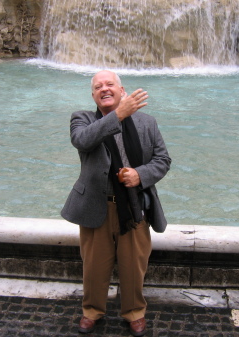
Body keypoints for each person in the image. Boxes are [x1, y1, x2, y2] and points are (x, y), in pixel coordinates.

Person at [61, 70, 171, 336]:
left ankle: (134, 312)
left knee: (134, 264)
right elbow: (83, 141)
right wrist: (119, 114)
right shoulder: (83, 119)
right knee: (94, 265)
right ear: (93, 95)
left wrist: (139, 175)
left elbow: (162, 160)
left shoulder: (147, 123)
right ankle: (92, 310)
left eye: (110, 84)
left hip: (134, 206)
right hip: (96, 206)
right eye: (98, 86)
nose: (104, 88)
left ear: (123, 90)